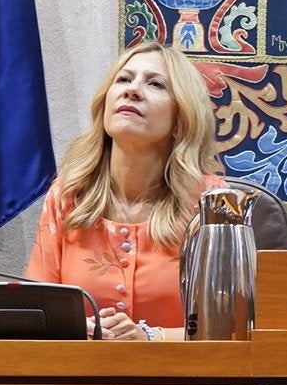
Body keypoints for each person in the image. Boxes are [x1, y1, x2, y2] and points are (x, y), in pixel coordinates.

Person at [26, 37, 211, 340]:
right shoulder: (68, 196)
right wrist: (70, 329)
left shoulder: (211, 205)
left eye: (155, 84)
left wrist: (150, 338)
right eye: (124, 79)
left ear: (181, 120)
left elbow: (231, 329)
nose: (132, 90)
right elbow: (36, 311)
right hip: (81, 368)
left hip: (180, 371)